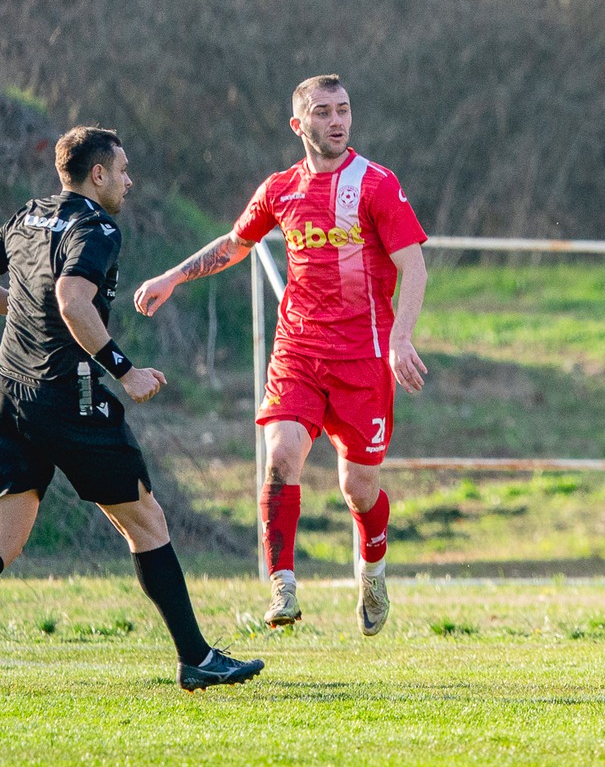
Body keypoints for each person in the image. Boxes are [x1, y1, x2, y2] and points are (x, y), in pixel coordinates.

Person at [135, 75, 427, 637]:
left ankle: (372, 569)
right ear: (298, 124)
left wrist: (400, 338)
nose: (336, 121)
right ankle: (283, 585)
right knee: (281, 456)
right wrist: (173, 276)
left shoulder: (376, 184)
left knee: (358, 489)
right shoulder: (280, 189)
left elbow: (413, 265)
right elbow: (235, 244)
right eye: (323, 112)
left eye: (343, 110)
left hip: (363, 360)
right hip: (298, 352)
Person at [1, 127, 262, 690]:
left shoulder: (28, 216)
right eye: (122, 170)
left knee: (7, 540)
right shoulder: (95, 228)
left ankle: (197, 657)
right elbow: (72, 301)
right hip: (69, 398)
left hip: (12, 391)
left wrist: (22, 314)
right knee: (147, 521)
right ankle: (196, 658)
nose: (129, 181)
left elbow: (28, 293)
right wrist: (126, 371)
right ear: (98, 174)